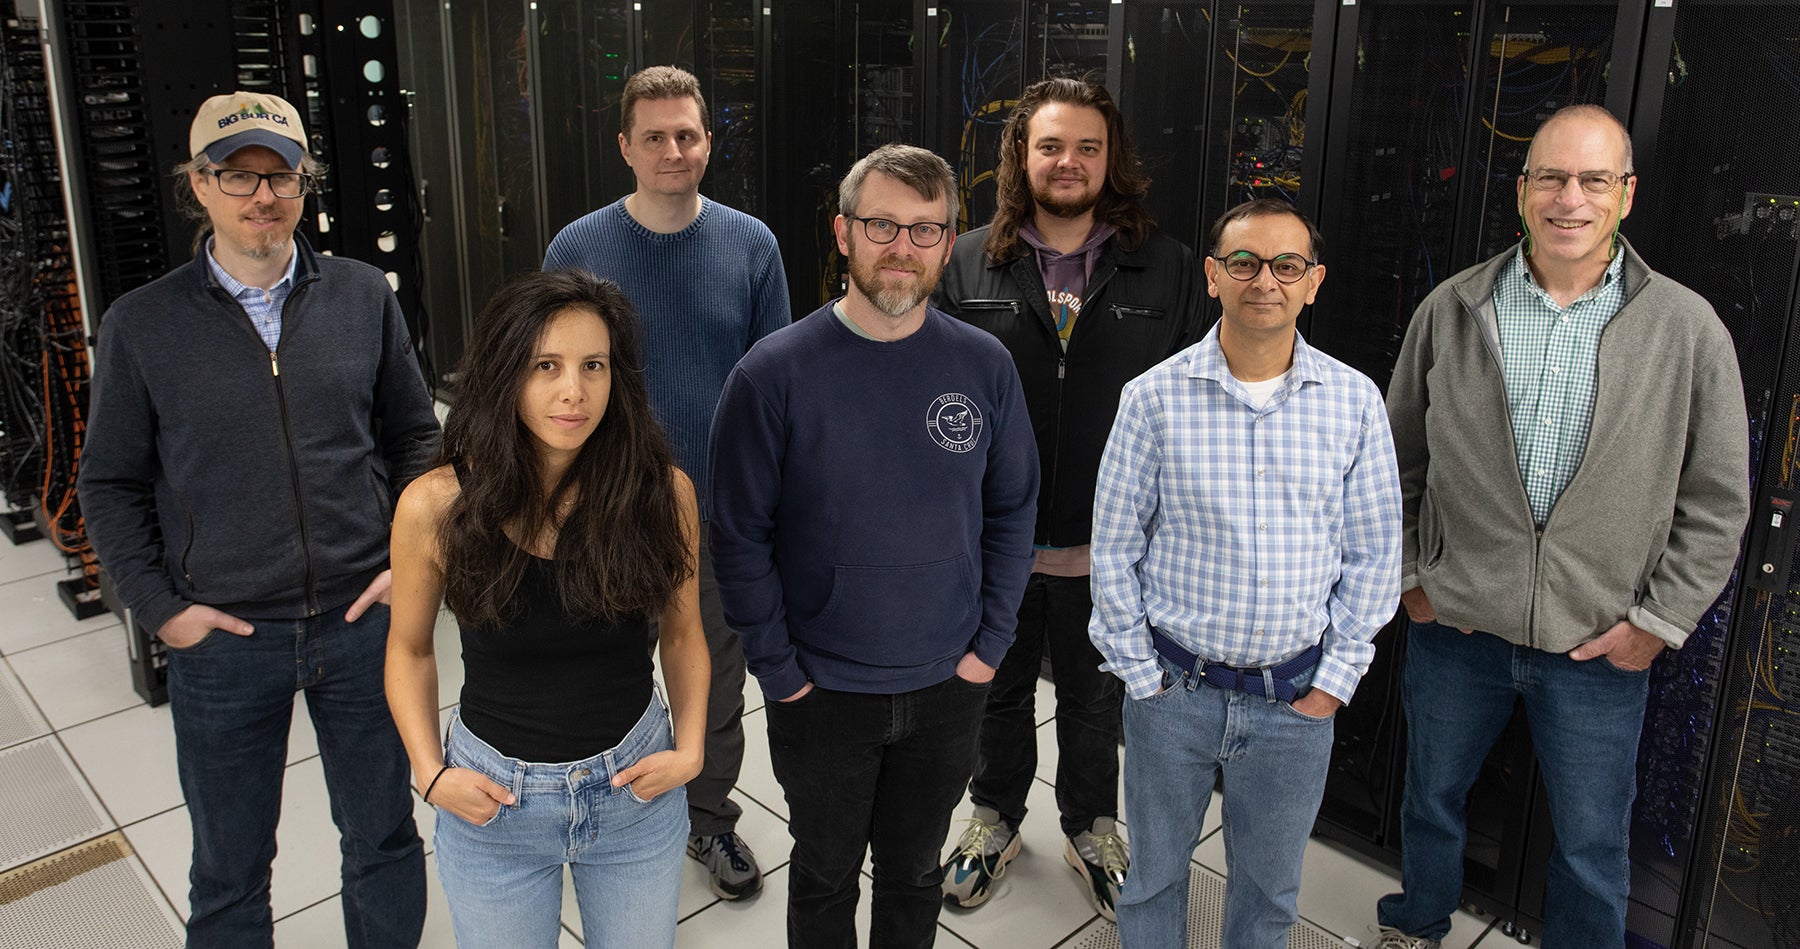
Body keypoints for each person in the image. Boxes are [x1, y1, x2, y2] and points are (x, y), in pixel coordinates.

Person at [1372, 105, 1750, 949]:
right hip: (1458, 627)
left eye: (1592, 180)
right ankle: (1414, 926)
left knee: (1589, 844)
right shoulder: (1455, 307)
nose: (1568, 198)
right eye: (1551, 177)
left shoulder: (1687, 331)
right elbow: (1390, 463)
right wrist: (1410, 579)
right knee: (1429, 799)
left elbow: (1718, 502)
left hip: (1597, 643)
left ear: (1626, 195)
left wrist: (1653, 626)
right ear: (1523, 190)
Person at [78, 91, 435, 948]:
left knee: (383, 837)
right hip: (227, 639)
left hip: (363, 620)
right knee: (230, 869)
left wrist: (411, 566)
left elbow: (418, 438)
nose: (262, 195)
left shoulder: (359, 295)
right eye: (238, 175)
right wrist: (161, 609)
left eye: (282, 176)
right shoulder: (142, 325)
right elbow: (109, 482)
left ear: (304, 187)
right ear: (197, 185)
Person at [708, 143, 1039, 948]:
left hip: (948, 684)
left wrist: (989, 647)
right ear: (844, 233)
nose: (903, 247)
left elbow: (1013, 510)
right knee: (823, 874)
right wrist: (780, 672)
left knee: (913, 870)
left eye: (927, 231)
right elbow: (737, 536)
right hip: (821, 691)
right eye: (883, 224)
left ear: (948, 241)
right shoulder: (772, 375)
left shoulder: (984, 366)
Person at [1088, 199, 1401, 948]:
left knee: (1268, 894)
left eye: (1287, 264)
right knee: (1156, 877)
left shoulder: (1354, 401)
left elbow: (1377, 552)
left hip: (1294, 703)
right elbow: (1111, 548)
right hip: (1175, 693)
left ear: (1313, 282)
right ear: (1213, 276)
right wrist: (1140, 674)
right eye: (1244, 262)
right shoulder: (1154, 397)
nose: (1266, 279)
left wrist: (1334, 683)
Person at [932, 76, 1205, 921]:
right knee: (997, 690)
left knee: (1096, 697)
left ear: (1111, 158)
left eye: (1088, 147)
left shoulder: (1167, 266)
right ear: (1022, 154)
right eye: (1051, 145)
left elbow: (1196, 400)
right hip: (994, 542)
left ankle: (1092, 825)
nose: (1070, 162)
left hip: (1113, 546)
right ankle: (995, 818)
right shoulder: (968, 257)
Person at [383, 269, 709, 948]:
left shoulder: (661, 493)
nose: (574, 391)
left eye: (594, 365)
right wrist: (428, 771)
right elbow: (409, 650)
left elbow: (683, 634)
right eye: (546, 366)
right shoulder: (436, 504)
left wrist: (691, 749)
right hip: (494, 798)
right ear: (506, 375)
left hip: (634, 788)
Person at [543, 64, 788, 899]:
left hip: (718, 516)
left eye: (687, 134)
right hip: (606, 509)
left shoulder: (752, 244)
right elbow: (546, 384)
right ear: (626, 146)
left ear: (707, 142)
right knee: (601, 669)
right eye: (655, 136)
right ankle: (599, 815)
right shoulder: (577, 248)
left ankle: (708, 819)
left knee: (713, 678)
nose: (673, 149)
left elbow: (775, 386)